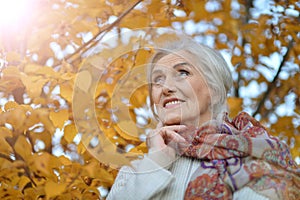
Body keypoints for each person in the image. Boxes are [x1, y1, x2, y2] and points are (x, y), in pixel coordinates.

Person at [106, 37, 300, 200]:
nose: (165, 88)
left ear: (214, 91)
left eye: (182, 73)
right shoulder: (134, 172)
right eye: (158, 80)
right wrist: (156, 160)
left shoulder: (259, 160)